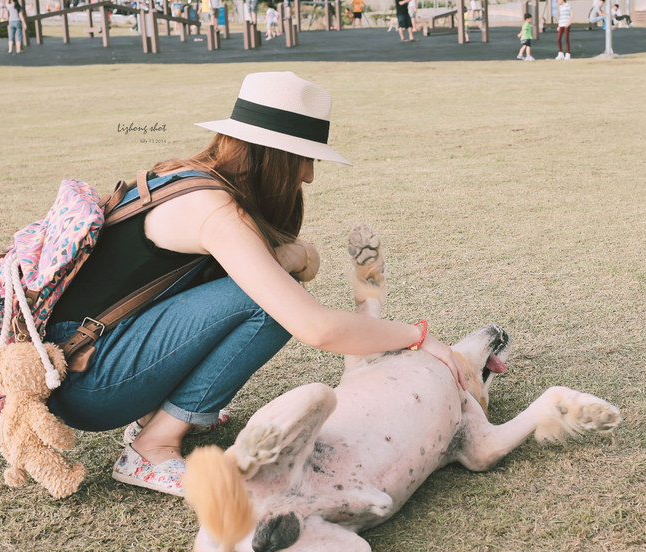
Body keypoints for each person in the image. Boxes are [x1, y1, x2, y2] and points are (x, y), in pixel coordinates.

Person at [42, 72, 466, 496]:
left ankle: (157, 411)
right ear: (278, 155)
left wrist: (291, 255)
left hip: (85, 360)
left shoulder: (187, 176)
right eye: (307, 159)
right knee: (271, 303)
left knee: (270, 287)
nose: (310, 177)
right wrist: (417, 336)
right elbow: (316, 327)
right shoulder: (215, 211)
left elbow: (304, 260)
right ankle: (153, 445)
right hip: (89, 383)